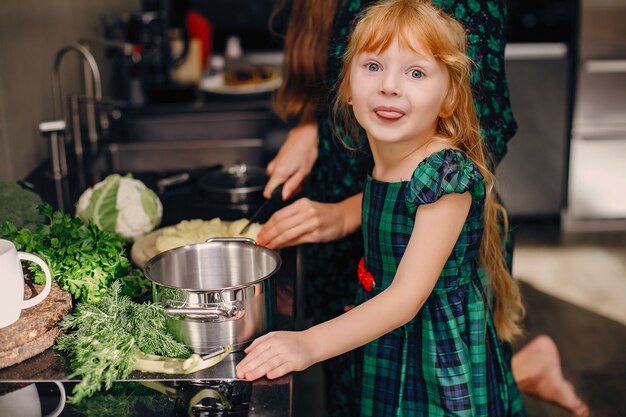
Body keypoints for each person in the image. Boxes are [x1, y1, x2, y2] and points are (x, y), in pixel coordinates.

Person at [260, 0, 589, 416]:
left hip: (436, 351)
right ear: (345, 88)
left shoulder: (444, 175)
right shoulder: (386, 154)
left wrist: (306, 343)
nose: (389, 86)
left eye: (415, 72)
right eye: (373, 67)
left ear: (451, 97)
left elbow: (405, 298)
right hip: (395, 338)